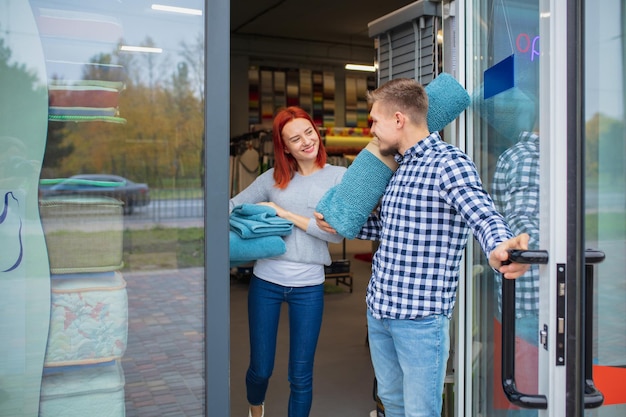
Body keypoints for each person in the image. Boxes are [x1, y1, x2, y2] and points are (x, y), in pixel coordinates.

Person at [315, 78, 531, 417]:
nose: (371, 130)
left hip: (419, 322)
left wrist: (501, 246)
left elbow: (483, 214)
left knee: (421, 411)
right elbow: (393, 228)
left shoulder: (448, 163)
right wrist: (345, 225)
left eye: (375, 120)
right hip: (380, 310)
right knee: (393, 402)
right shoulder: (399, 168)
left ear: (398, 119)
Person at [229, 106, 346, 417]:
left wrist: (284, 214)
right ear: (285, 147)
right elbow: (232, 206)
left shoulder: (338, 178)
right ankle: (256, 408)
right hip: (266, 282)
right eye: (296, 138)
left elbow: (334, 236)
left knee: (301, 376)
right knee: (261, 368)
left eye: (309, 132)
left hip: (308, 288)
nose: (307, 141)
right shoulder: (273, 178)